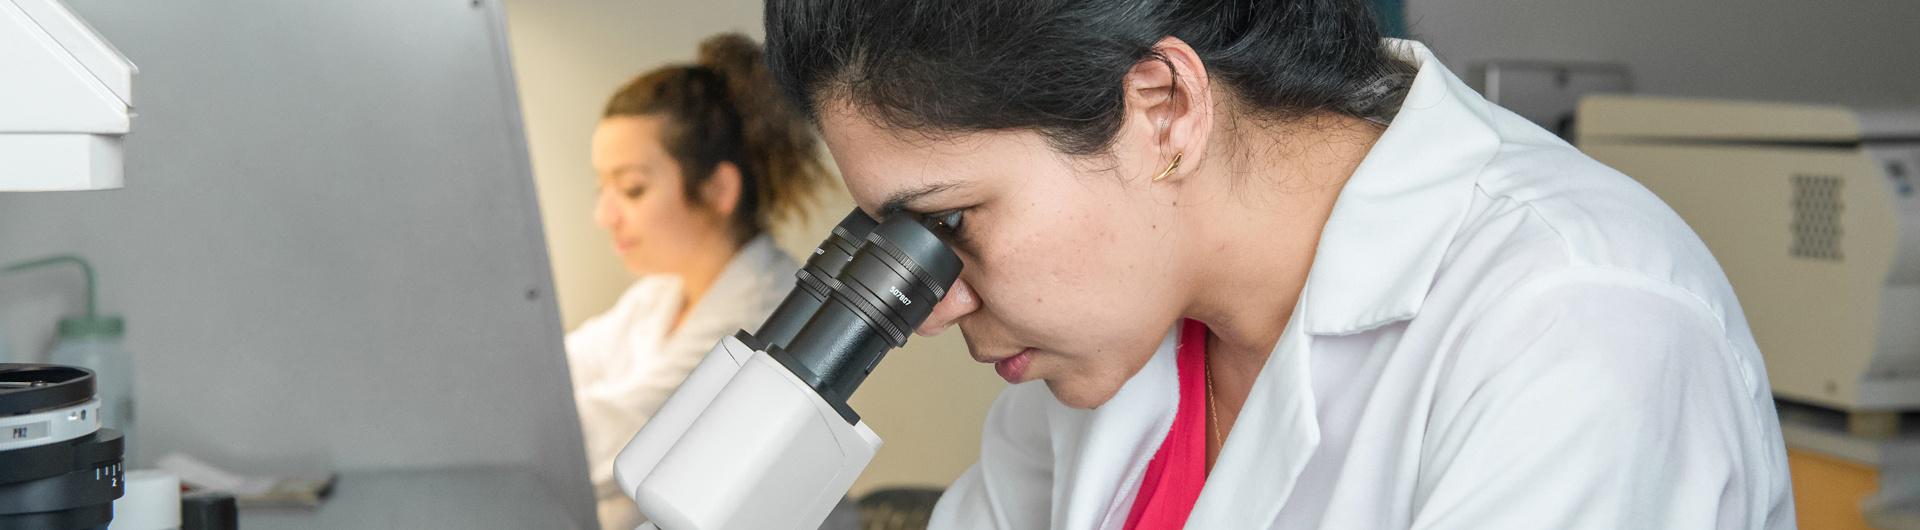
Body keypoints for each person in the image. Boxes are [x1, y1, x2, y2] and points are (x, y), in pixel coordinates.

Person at [764, 1, 1795, 528]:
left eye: (948, 221)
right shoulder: (1103, 346)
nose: (934, 303)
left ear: (1164, 107)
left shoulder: (1580, 323)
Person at [566, 33, 827, 530]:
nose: (604, 215)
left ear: (718, 189)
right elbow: (552, 379)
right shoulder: (656, 299)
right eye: (603, 188)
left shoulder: (771, 314)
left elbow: (626, 435)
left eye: (632, 189)